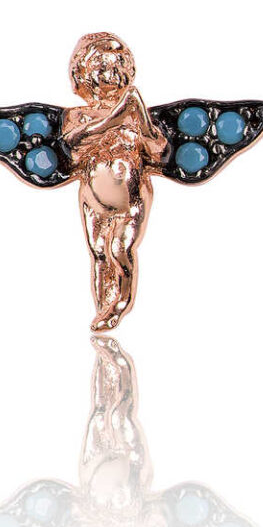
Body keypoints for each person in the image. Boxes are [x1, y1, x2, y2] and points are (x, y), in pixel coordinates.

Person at [63, 33, 167, 332]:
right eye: (101, 67)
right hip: (92, 197)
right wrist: (118, 116)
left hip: (130, 197)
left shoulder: (136, 115)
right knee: (98, 252)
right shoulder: (79, 115)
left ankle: (118, 306)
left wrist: (140, 115)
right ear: (82, 73)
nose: (110, 74)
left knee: (120, 250)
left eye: (117, 66)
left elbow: (158, 151)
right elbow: (73, 146)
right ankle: (101, 306)